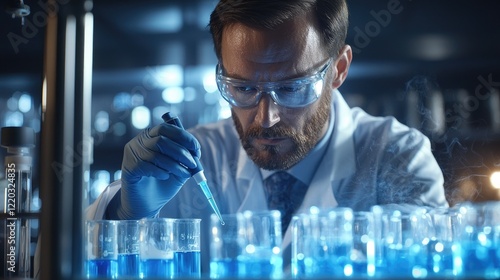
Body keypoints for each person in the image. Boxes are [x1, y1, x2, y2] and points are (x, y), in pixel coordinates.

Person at [86, 0, 449, 275]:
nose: (266, 117)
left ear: (338, 69)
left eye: (292, 88)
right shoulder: (192, 162)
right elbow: (49, 270)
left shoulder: (398, 157)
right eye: (242, 87)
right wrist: (124, 217)